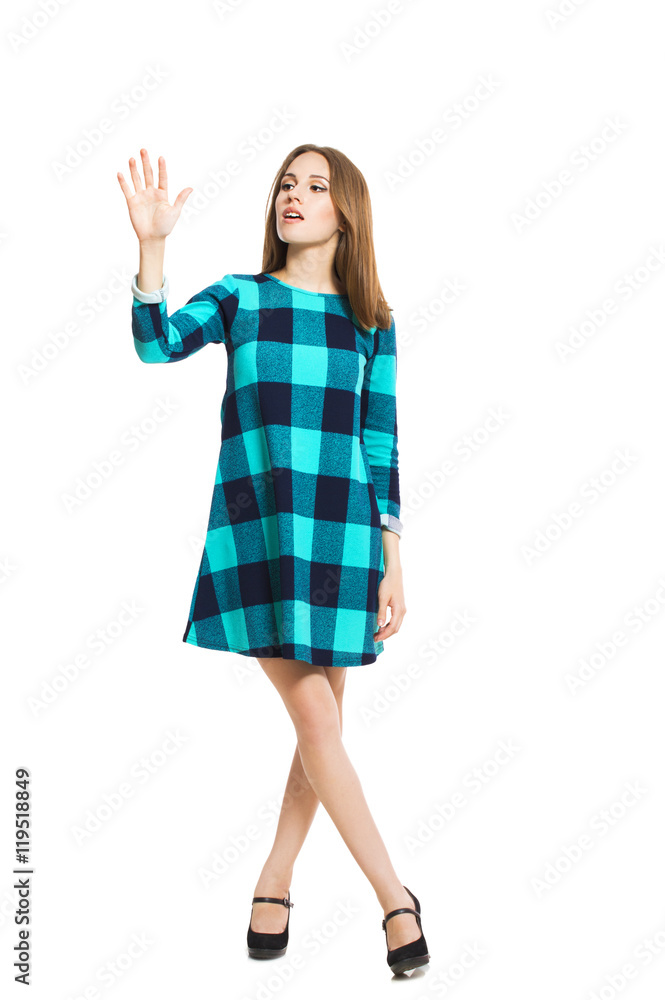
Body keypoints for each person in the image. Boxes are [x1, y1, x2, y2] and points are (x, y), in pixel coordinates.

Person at [117, 145, 430, 975]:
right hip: (258, 538)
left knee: (317, 729)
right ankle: (395, 900)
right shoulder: (241, 297)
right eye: (287, 184)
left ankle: (275, 879)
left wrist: (393, 559)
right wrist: (153, 249)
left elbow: (380, 441)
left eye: (315, 186)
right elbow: (155, 345)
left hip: (344, 540)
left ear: (346, 212)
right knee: (319, 723)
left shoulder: (371, 320)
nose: (295, 196)